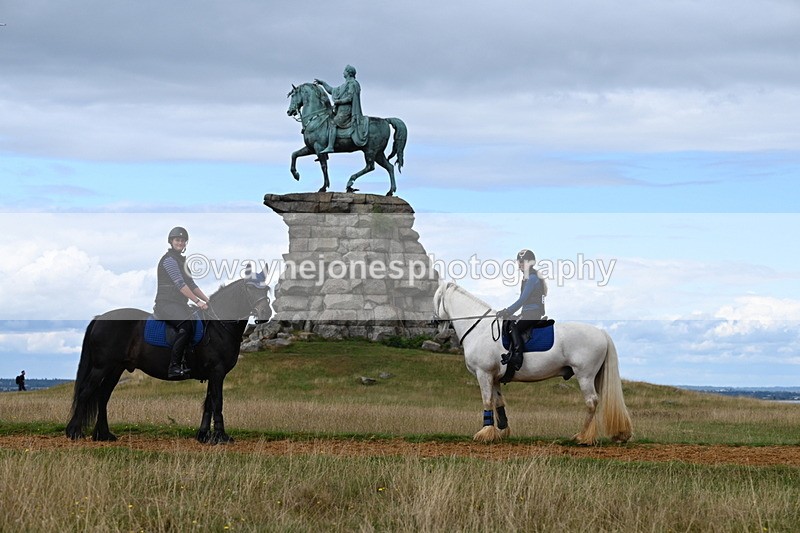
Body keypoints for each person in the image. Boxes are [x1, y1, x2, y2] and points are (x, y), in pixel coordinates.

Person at [154, 227, 209, 379]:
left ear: (186, 243)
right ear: (171, 241)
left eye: (182, 240)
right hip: (166, 303)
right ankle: (174, 367)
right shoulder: (169, 260)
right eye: (177, 240)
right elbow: (180, 284)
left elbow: (191, 284)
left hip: (179, 304)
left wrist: (207, 300)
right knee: (186, 324)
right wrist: (197, 301)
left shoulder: (182, 261)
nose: (180, 242)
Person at [497, 249, 548, 371]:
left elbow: (522, 300)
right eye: (519, 262)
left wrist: (507, 311)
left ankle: (517, 358)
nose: (520, 264)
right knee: (510, 322)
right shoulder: (527, 278)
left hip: (532, 313)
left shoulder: (532, 278)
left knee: (513, 327)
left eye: (523, 262)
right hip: (527, 312)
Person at [314, 64, 369, 153]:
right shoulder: (345, 85)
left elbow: (350, 98)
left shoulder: (353, 84)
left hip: (347, 111)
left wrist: (339, 102)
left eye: (344, 71)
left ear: (348, 73)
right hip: (340, 110)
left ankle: (330, 146)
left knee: (332, 123)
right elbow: (332, 90)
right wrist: (323, 83)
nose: (343, 72)